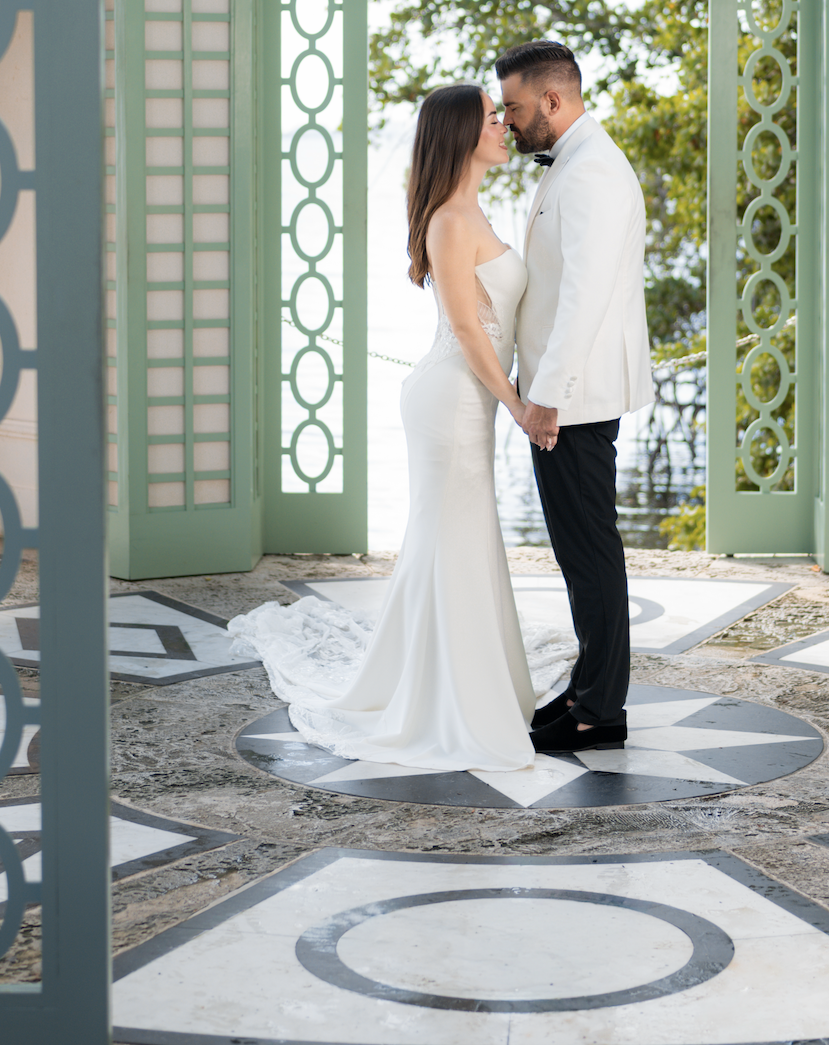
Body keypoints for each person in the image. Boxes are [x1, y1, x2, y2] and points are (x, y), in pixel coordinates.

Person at [229, 84, 572, 772]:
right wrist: (517, 403)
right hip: (450, 400)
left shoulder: (472, 209)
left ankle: (470, 680)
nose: (505, 125)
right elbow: (468, 331)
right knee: (451, 538)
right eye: (490, 118)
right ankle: (445, 697)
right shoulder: (449, 221)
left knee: (458, 539)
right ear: (460, 136)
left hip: (466, 400)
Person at [496, 40, 654, 755]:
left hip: (576, 398)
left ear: (553, 101)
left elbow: (584, 298)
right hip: (570, 392)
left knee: (590, 553)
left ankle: (600, 713)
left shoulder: (591, 173)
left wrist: (545, 396)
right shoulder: (577, 161)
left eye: (517, 108)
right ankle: (592, 691)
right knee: (581, 552)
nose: (510, 121)